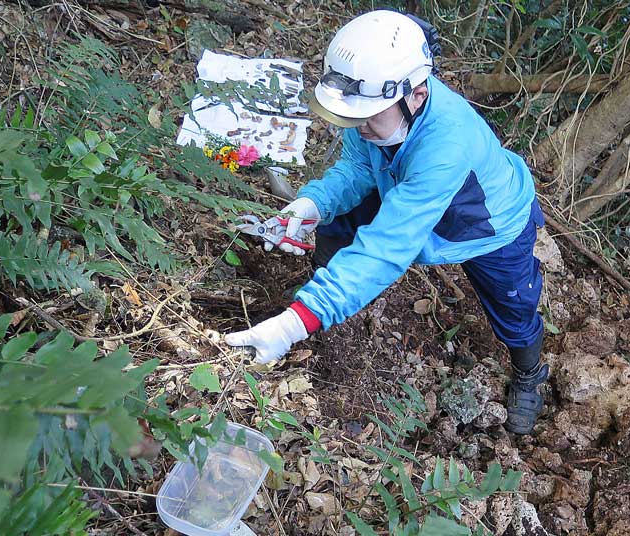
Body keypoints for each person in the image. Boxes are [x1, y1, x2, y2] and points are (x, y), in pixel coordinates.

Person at [225, 10, 548, 434]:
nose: (358, 128)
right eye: (353, 118)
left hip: (490, 227)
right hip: (405, 189)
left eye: (367, 118)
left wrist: (293, 324)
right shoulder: (376, 112)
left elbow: (385, 249)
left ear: (414, 95)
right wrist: (312, 205)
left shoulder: (446, 145)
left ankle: (530, 373)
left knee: (514, 307)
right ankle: (328, 295)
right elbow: (356, 169)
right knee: (337, 221)